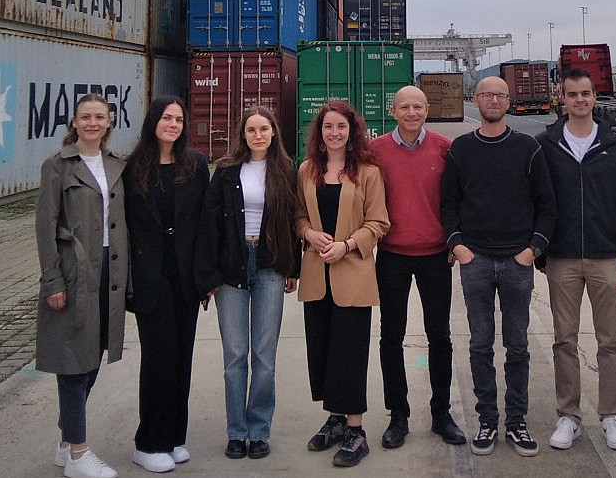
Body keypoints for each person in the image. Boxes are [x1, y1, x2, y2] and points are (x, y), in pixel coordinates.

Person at [441, 74, 557, 458]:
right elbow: (449, 204)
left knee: (518, 345)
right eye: (487, 94)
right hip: (474, 260)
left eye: (500, 95)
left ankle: (517, 422)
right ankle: (487, 419)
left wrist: (533, 250)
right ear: (476, 99)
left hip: (516, 261)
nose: (494, 100)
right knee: (479, 345)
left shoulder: (528, 148)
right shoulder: (461, 149)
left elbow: (547, 205)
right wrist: (457, 246)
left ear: (508, 101)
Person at [537, 67, 616, 453]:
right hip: (562, 258)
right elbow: (540, 201)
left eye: (586, 94)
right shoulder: (546, 144)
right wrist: (542, 253)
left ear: (594, 97)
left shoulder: (615, 145)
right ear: (561, 98)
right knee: (564, 339)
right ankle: (569, 416)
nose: (580, 100)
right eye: (572, 94)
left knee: (609, 340)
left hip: (605, 256)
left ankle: (611, 415)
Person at [195, 106, 301, 461]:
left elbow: (292, 222)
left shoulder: (286, 170)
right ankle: (236, 432)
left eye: (264, 129)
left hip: (270, 266)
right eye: (251, 130)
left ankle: (259, 432)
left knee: (264, 356)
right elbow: (209, 226)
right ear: (242, 134)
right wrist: (208, 276)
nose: (258, 135)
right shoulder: (225, 172)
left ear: (274, 134)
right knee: (235, 355)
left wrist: (293, 269)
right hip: (231, 269)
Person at [368, 85, 466, 449]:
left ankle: (442, 413)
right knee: (391, 337)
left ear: (427, 110)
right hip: (392, 254)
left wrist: (456, 240)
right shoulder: (375, 151)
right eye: (404, 107)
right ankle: (398, 415)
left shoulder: (444, 148)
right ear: (393, 111)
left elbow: (458, 198)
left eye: (418, 107)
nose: (412, 113)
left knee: (439, 336)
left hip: (436, 255)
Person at [36, 92, 128, 478]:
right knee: (73, 361)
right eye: (86, 117)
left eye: (100, 117)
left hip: (110, 273)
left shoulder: (116, 165)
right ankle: (79, 452)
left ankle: (64, 441)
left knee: (92, 359)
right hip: (75, 272)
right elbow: (45, 226)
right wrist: (53, 279)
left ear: (109, 123)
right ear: (74, 122)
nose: (93, 123)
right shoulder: (57, 165)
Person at [295, 101, 390, 468]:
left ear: (352, 132)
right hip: (317, 276)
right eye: (327, 127)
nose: (334, 133)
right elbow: (298, 214)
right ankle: (334, 420)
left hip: (353, 275)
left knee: (349, 353)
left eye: (341, 127)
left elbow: (379, 223)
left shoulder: (367, 173)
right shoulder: (306, 170)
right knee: (322, 351)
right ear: (319, 133)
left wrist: (346, 245)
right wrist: (309, 233)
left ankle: (356, 430)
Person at [122, 96, 209, 474]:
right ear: (153, 122)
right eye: (166, 118)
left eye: (178, 119)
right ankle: (148, 442)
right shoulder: (132, 169)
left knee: (182, 358)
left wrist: (207, 276)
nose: (172, 124)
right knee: (159, 359)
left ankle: (174, 437)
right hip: (150, 278)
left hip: (186, 278)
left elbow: (206, 222)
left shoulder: (195, 165)